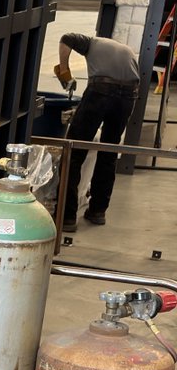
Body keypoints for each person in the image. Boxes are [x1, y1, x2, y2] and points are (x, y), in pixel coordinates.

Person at [53, 32, 140, 231]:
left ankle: (66, 217)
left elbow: (66, 38)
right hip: (128, 96)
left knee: (73, 152)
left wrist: (64, 70)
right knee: (108, 153)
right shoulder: (123, 50)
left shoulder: (90, 43)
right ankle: (98, 211)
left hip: (101, 89)